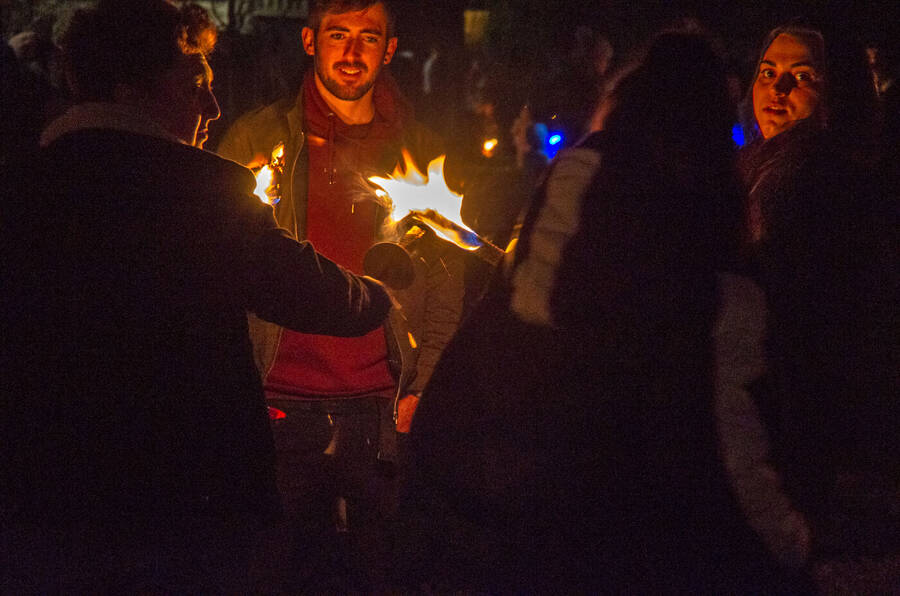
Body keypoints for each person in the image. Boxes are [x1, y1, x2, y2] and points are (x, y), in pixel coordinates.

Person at [0, 1, 393, 591]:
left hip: (45, 500)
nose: (211, 106)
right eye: (195, 84)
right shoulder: (205, 190)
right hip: (188, 502)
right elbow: (314, 293)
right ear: (131, 85)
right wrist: (380, 292)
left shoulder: (19, 189)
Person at [395, 28, 800, 593]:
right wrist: (794, 548)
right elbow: (731, 449)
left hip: (483, 514)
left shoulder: (564, 218)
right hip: (577, 536)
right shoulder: (708, 284)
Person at [215, 0, 463, 589]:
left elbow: (445, 281)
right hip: (274, 399)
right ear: (309, 40)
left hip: (379, 405)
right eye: (338, 34)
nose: (352, 53)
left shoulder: (419, 149)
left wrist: (424, 382)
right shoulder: (259, 137)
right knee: (267, 570)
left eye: (368, 37)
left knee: (382, 572)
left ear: (389, 47)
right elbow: (215, 263)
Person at [740, 23, 899, 590]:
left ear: (838, 91)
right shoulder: (765, 163)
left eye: (801, 77)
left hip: (802, 411)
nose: (776, 89)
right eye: (767, 72)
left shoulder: (817, 177)